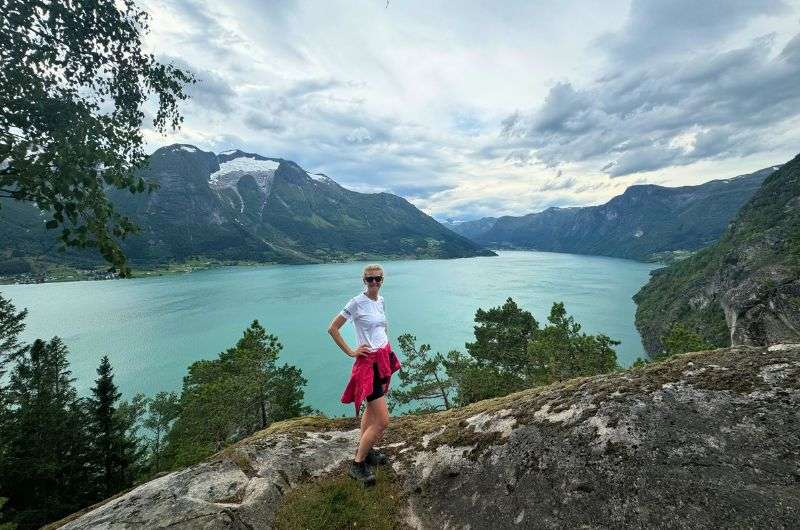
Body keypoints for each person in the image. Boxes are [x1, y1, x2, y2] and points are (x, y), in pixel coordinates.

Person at [327, 263, 401, 486]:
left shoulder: (381, 300)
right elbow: (333, 328)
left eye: (378, 278)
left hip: (382, 359)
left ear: (382, 280)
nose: (375, 282)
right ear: (364, 281)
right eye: (370, 279)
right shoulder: (356, 302)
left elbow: (382, 327)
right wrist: (352, 351)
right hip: (368, 365)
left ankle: (366, 452)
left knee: (370, 409)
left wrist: (385, 347)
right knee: (383, 421)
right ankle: (357, 464)